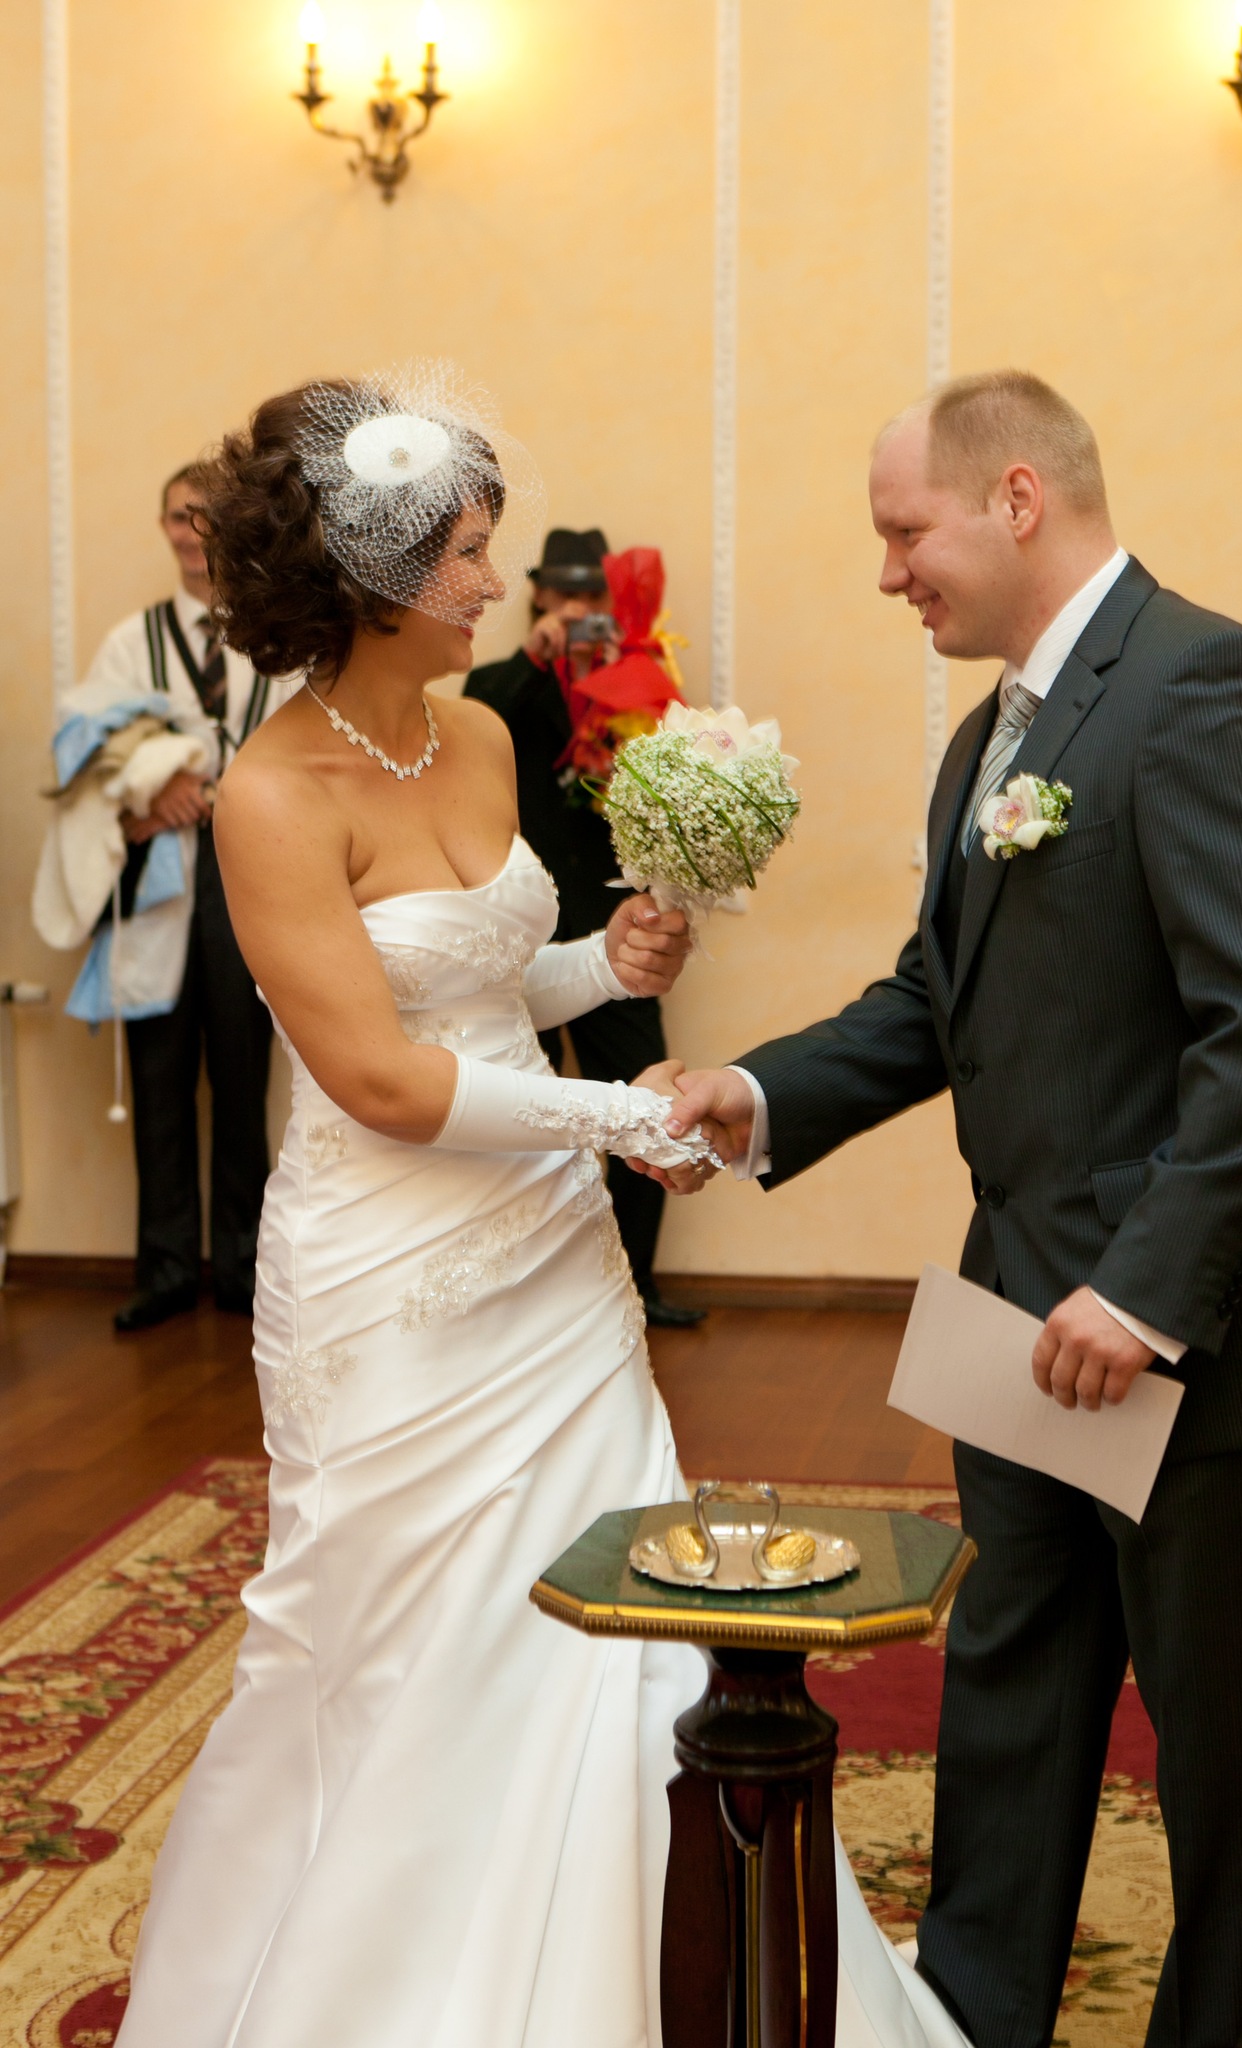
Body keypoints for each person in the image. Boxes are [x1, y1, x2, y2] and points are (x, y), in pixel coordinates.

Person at [115, 363, 965, 2048]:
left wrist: (608, 964)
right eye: (466, 555)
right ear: (372, 574)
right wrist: (618, 1115)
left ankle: (637, 1957)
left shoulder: (487, 733)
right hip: (391, 1269)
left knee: (615, 1598)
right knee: (403, 1627)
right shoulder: (273, 795)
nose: (494, 584)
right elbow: (380, 1074)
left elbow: (489, 985)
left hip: (551, 1268)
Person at [657, 371, 1242, 2048]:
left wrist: (1143, 1292)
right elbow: (938, 995)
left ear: (1014, 498)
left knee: (1214, 1723)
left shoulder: (1203, 683)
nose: (885, 573)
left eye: (901, 531)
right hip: (1014, 1300)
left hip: (1192, 1318)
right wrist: (758, 1093)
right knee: (1009, 1674)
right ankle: (972, 2014)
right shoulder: (983, 741)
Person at [67, 466, 296, 1330]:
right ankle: (164, 1269)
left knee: (242, 1074)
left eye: (205, 516)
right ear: (162, 527)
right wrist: (146, 792)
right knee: (160, 1078)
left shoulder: (276, 637)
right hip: (158, 882)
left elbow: (308, 752)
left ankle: (243, 1268)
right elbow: (91, 749)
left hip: (248, 880)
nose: (191, 532)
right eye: (176, 516)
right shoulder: (132, 641)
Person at [465, 528, 705, 1327]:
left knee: (646, 1100)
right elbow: (472, 729)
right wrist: (538, 659)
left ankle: (636, 1285)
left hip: (614, 932)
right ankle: (529, 1294)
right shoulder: (501, 680)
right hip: (519, 931)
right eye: (562, 593)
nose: (575, 609)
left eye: (591, 595)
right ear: (537, 595)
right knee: (516, 1112)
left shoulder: (639, 678)